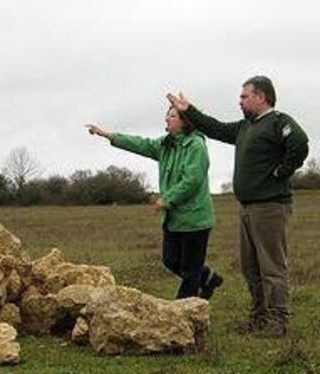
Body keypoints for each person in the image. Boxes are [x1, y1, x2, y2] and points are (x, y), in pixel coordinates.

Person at [167, 76, 309, 337]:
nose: (240, 100)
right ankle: (259, 318)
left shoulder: (278, 122)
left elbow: (300, 143)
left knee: (272, 267)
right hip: (247, 207)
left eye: (245, 96)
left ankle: (278, 322)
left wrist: (283, 171)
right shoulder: (246, 127)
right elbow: (216, 128)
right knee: (250, 267)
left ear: (261, 97)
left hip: (270, 207)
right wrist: (190, 111)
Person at [86, 106, 223, 300]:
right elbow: (139, 143)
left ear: (185, 121)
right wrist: (108, 135)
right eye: (167, 115)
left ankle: (183, 314)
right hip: (174, 219)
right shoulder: (165, 145)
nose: (167, 119)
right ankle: (209, 278)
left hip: (195, 219)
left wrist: (167, 199)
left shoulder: (196, 146)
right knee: (170, 261)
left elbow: (192, 180)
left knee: (190, 271)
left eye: (172, 116)